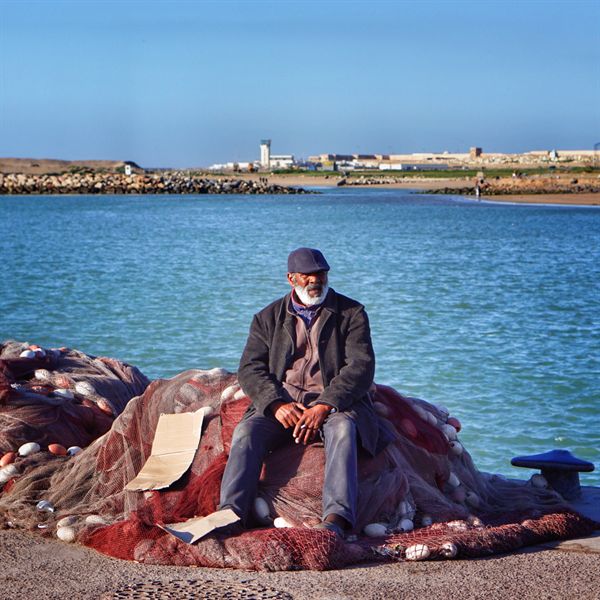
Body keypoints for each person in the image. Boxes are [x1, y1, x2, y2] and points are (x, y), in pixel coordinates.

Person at [218, 247, 387, 537]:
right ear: (290, 278)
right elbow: (250, 369)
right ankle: (230, 514)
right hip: (284, 404)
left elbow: (360, 367)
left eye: (320, 274)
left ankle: (336, 520)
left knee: (344, 430)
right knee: (247, 433)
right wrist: (275, 405)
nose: (315, 280)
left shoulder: (352, 313)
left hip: (335, 404)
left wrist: (326, 405)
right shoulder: (266, 318)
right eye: (307, 275)